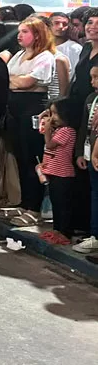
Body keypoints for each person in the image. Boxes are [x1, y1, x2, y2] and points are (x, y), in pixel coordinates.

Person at [0, 17, 55, 228]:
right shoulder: (19, 55)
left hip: (32, 110)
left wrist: (15, 80)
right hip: (14, 109)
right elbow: (7, 78)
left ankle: (35, 208)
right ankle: (24, 203)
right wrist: (16, 81)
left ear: (38, 35)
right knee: (21, 157)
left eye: (25, 32)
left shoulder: (45, 57)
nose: (19, 35)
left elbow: (27, 82)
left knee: (34, 158)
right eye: (19, 31)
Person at [38, 98, 79, 244]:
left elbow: (49, 145)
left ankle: (65, 232)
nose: (53, 117)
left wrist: (48, 131)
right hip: (54, 173)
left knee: (63, 205)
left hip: (63, 174)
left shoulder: (67, 131)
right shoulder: (59, 130)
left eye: (55, 113)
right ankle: (57, 229)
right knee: (56, 202)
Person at [73, 66, 98, 254]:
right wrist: (80, 151)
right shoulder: (90, 99)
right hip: (91, 153)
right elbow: (84, 127)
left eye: (96, 77)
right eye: (91, 77)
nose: (92, 81)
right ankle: (93, 232)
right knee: (93, 192)